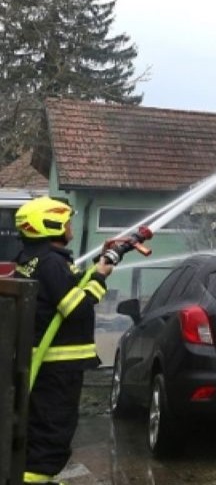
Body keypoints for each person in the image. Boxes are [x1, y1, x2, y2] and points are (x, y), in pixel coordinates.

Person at [9, 197, 116, 485]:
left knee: (38, 428)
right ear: (51, 224)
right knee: (52, 433)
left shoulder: (33, 260)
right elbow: (75, 308)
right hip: (57, 369)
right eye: (66, 221)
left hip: (43, 366)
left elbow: (71, 287)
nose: (71, 225)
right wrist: (101, 279)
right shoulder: (52, 264)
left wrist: (100, 264)